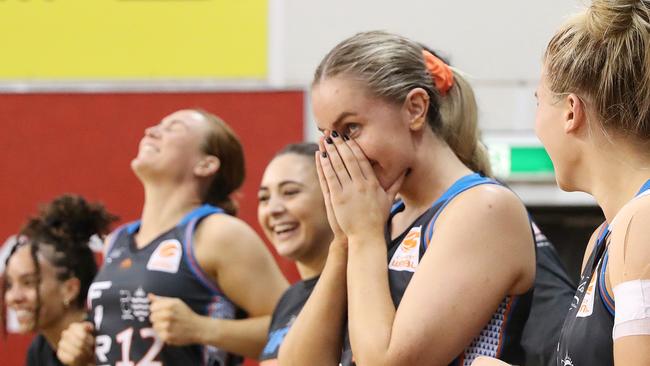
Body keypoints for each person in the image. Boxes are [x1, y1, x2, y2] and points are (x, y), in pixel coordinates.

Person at [278, 30, 538, 366]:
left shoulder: (484, 208)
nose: (340, 153)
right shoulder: (376, 220)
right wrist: (342, 242)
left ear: (415, 109)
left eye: (351, 128)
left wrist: (363, 237)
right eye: (330, 137)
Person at [475, 0, 650, 365]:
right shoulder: (606, 236)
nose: (538, 123)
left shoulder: (641, 222)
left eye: (539, 102)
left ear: (571, 111)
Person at [57, 109, 288, 365]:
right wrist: (79, 345)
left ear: (206, 164)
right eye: (157, 125)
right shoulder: (116, 241)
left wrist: (203, 329)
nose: (151, 131)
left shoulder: (218, 233)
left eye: (173, 128)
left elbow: (292, 327)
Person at [3, 194, 117, 366]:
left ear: (70, 289)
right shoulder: (40, 350)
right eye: (10, 284)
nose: (13, 297)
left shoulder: (113, 340)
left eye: (28, 282)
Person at [257, 142, 334, 365]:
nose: (273, 209)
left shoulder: (362, 288)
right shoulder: (289, 299)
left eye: (290, 192)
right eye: (264, 198)